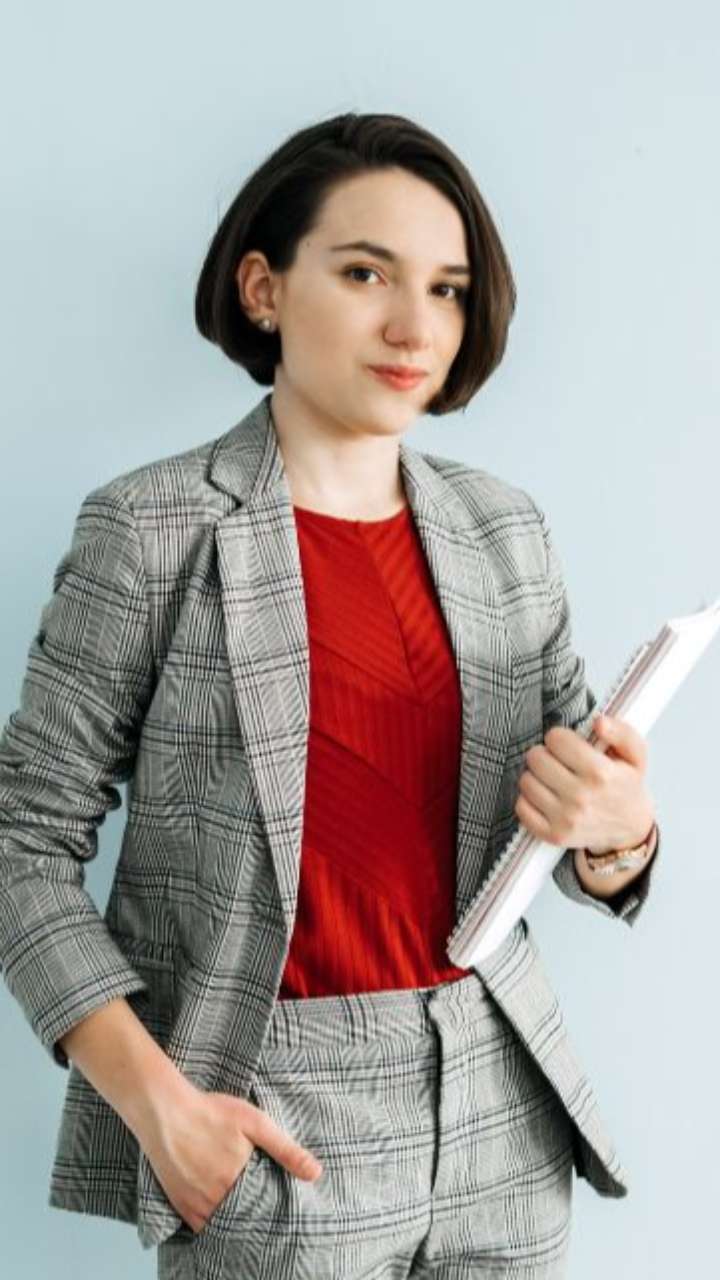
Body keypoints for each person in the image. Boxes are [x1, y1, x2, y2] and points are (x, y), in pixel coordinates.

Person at [0, 111, 659, 1279]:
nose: (416, 326)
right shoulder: (150, 529)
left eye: (448, 289)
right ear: (263, 288)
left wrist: (620, 834)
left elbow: (571, 828)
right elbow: (21, 841)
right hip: (273, 1111)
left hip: (502, 1104)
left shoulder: (506, 530)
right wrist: (161, 1105)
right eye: (366, 273)